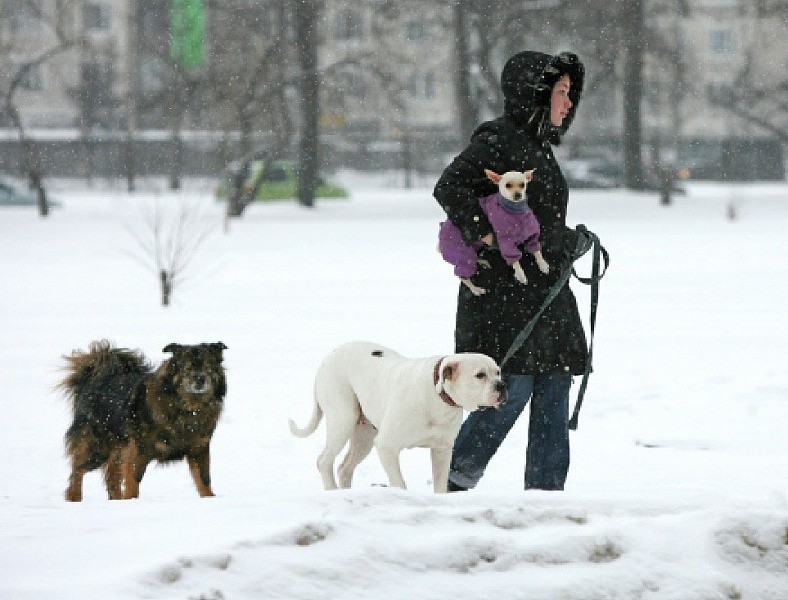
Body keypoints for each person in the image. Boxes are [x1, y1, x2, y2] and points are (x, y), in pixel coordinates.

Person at [433, 50, 588, 491]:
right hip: (505, 299)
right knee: (507, 393)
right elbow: (451, 187)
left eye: (570, 94)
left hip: (547, 295)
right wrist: (484, 238)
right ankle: (450, 484)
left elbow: (531, 217)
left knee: (554, 396)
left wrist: (563, 240)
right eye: (560, 93)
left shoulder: (539, 148)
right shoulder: (497, 138)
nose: (568, 103)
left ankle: (545, 500)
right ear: (533, 96)